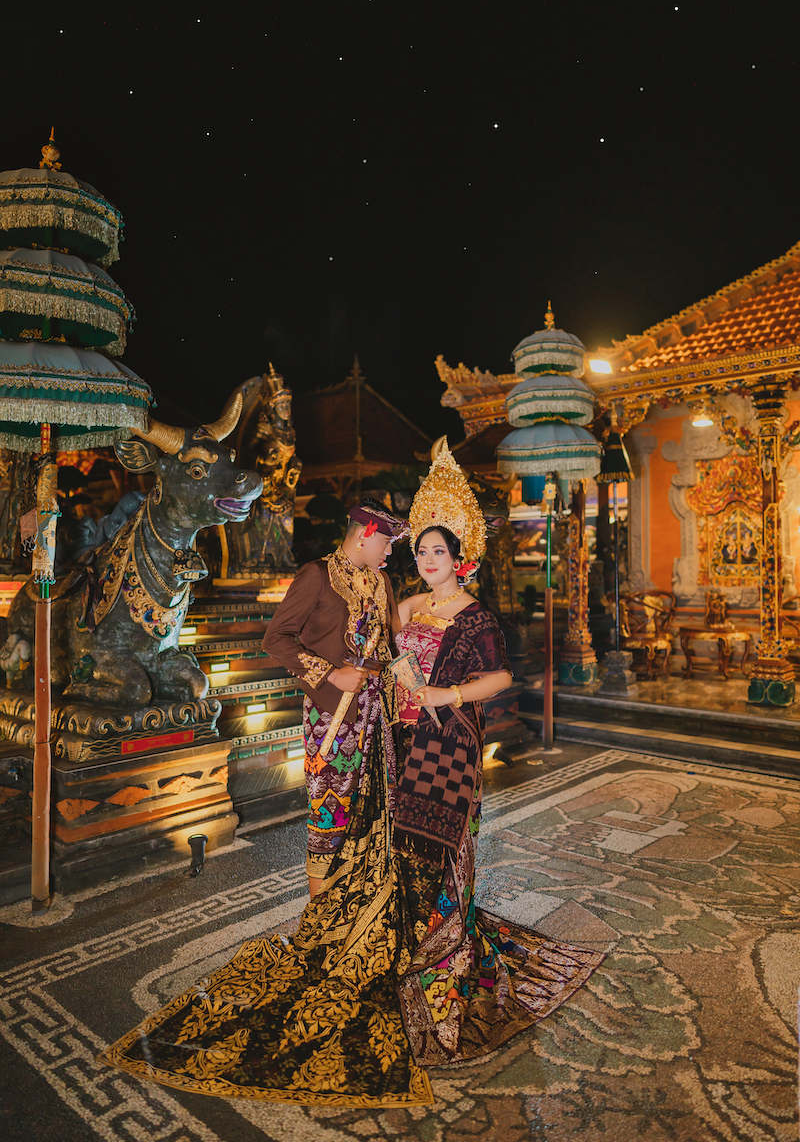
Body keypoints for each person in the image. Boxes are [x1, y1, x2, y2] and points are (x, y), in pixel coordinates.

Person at [101, 448, 603, 1106]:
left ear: (459, 559)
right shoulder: (326, 578)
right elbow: (291, 641)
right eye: (402, 546)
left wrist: (434, 692)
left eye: (428, 551)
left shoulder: (417, 599)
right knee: (335, 820)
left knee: (398, 834)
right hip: (340, 725)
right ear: (368, 535)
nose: (405, 557)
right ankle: (332, 917)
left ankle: (419, 929)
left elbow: (432, 664)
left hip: (405, 734)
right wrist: (331, 674)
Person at [260, 498, 408, 897]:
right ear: (364, 535)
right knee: (331, 804)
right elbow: (275, 640)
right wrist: (331, 673)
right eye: (386, 542)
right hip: (332, 714)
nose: (389, 551)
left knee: (380, 801)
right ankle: (320, 910)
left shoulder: (381, 582)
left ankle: (365, 895)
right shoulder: (317, 575)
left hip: (379, 710)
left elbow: (395, 644)